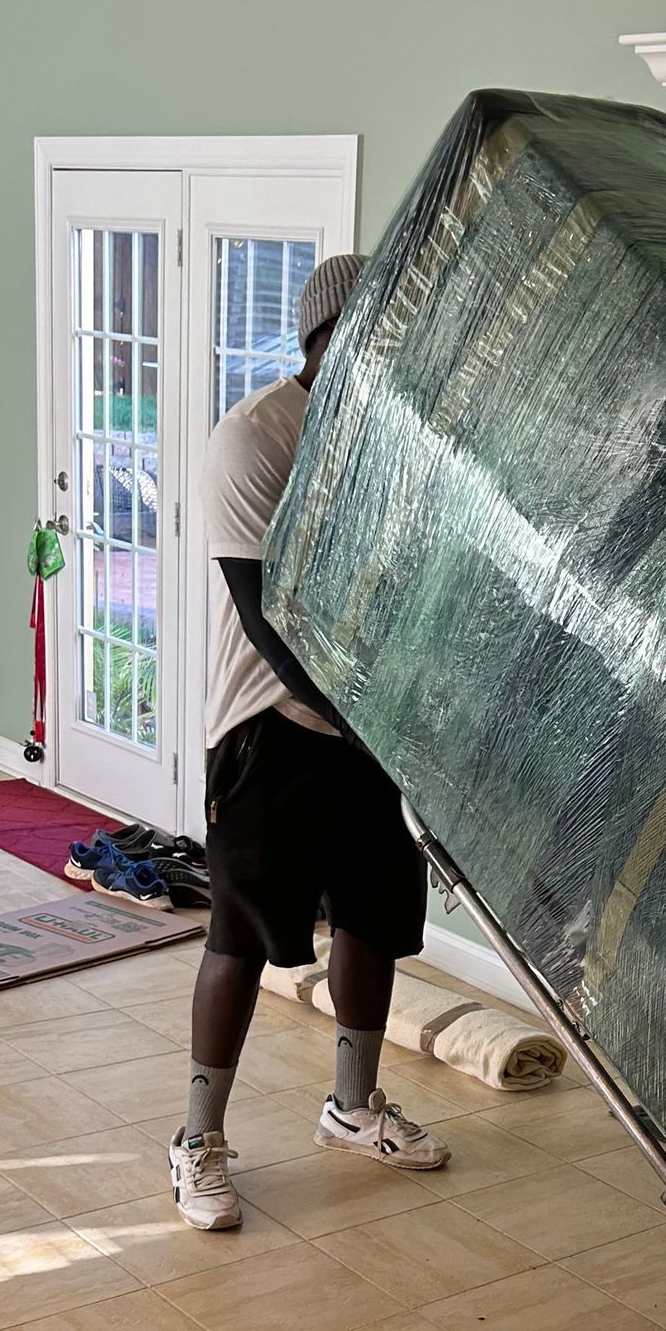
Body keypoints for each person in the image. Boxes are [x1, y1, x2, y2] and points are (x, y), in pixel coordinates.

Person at [171, 254, 448, 1232]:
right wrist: (376, 716)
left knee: (374, 916)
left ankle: (353, 1105)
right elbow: (270, 622)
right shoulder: (252, 442)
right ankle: (199, 1140)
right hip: (272, 728)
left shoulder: (398, 442)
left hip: (372, 724)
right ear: (322, 339)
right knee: (241, 936)